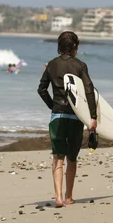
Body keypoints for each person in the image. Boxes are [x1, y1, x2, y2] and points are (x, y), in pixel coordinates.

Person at [38, 31, 97, 208]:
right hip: (75, 117)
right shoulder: (80, 66)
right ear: (75, 47)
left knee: (58, 157)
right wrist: (92, 117)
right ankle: (69, 196)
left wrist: (53, 106)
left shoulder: (51, 65)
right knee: (72, 157)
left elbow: (41, 90)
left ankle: (58, 198)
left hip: (57, 116)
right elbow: (89, 90)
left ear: (59, 46)